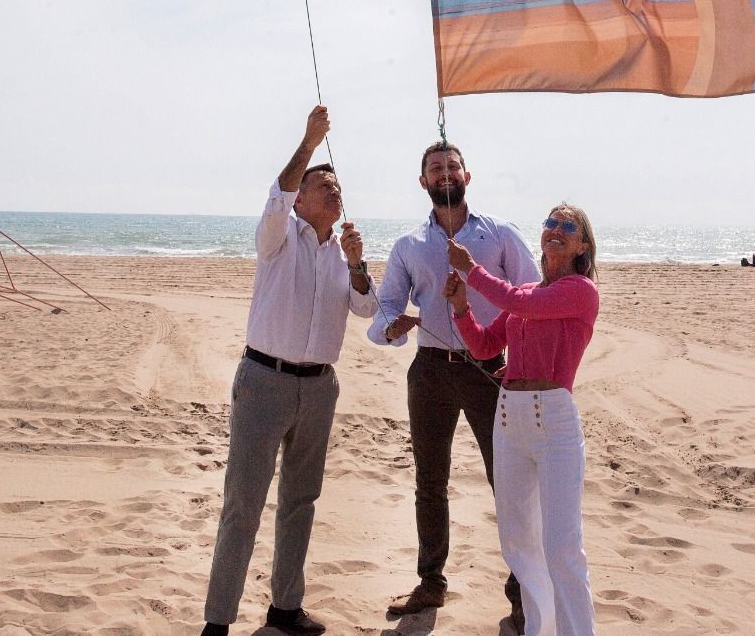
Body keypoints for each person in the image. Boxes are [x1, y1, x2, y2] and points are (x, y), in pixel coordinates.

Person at [199, 106, 376, 636]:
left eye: (336, 183)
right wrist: (309, 142)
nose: (333, 189)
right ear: (300, 198)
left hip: (320, 388)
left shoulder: (338, 252)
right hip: (264, 382)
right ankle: (218, 621)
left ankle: (284, 607)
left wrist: (357, 264)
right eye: (322, 183)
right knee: (243, 504)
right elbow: (277, 192)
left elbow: (368, 310)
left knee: (301, 501)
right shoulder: (277, 236)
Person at [369, 140, 537, 629]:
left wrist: (519, 364)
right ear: (422, 181)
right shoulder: (407, 246)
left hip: (490, 370)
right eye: (434, 168)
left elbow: (528, 299)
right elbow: (384, 309)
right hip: (430, 371)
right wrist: (391, 326)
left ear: (467, 175)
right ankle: (431, 583)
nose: (444, 173)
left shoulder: (500, 235)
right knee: (429, 481)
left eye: (451, 166)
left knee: (505, 481)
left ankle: (521, 592)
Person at [444, 203, 600, 636]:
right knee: (518, 543)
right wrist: (461, 309)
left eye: (567, 226)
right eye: (550, 222)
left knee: (562, 547)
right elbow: (483, 345)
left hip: (554, 424)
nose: (556, 229)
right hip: (510, 419)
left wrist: (473, 270)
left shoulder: (579, 290)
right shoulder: (531, 293)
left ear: (582, 244)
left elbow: (517, 300)